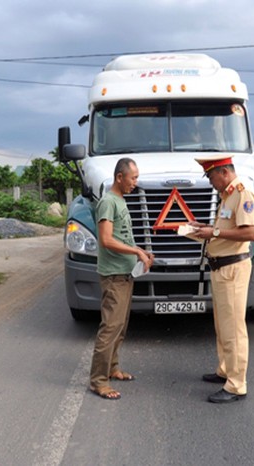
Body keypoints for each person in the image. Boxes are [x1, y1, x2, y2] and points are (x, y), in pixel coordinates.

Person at [190, 154, 254, 403]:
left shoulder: (242, 195)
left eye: (211, 176)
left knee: (234, 329)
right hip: (220, 269)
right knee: (222, 326)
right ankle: (225, 370)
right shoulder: (227, 197)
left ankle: (236, 385)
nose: (210, 181)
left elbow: (251, 232)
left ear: (224, 172)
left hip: (232, 270)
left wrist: (214, 231)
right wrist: (203, 230)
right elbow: (225, 232)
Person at [89, 157, 154, 400]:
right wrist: (136, 251)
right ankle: (99, 380)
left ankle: (113, 367)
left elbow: (123, 237)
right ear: (119, 177)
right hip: (114, 276)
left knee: (121, 326)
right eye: (133, 178)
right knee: (110, 327)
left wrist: (141, 252)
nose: (135, 183)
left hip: (126, 273)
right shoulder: (108, 202)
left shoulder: (120, 201)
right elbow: (106, 240)